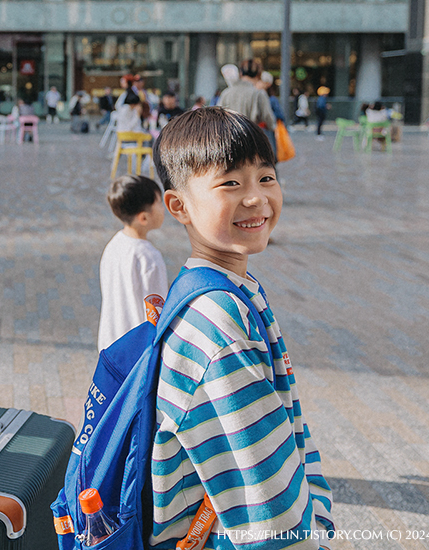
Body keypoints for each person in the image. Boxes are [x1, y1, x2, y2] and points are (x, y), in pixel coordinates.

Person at [149, 107, 333, 547]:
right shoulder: (219, 324)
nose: (256, 198)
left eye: (266, 177)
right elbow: (267, 508)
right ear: (178, 206)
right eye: (230, 183)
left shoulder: (223, 287)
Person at [98, 175, 168, 351]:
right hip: (138, 350)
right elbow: (157, 311)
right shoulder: (149, 257)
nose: (163, 208)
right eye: (159, 203)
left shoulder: (114, 244)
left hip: (110, 343)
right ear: (143, 218)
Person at [218, 59, 276, 158]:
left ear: (240, 73)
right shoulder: (259, 94)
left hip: (230, 141)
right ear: (258, 74)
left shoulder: (226, 93)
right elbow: (268, 118)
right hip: (253, 141)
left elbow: (218, 117)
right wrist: (272, 127)